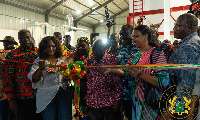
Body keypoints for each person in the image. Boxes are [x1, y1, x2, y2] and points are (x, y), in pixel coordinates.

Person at [105, 25, 169, 120]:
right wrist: (110, 70)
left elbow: (164, 81)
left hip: (150, 100)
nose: (133, 39)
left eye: (136, 36)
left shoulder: (157, 54)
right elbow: (126, 72)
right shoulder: (136, 55)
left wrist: (140, 74)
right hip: (137, 100)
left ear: (146, 36)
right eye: (133, 36)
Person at [28, 36, 71, 120]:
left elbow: (67, 75)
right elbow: (34, 79)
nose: (51, 48)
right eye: (48, 46)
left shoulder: (62, 59)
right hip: (46, 95)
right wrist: (40, 68)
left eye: (53, 46)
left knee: (64, 117)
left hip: (62, 93)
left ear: (57, 47)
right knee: (49, 118)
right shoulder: (39, 60)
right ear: (44, 47)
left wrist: (66, 76)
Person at [168, 13, 200, 119]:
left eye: (178, 25)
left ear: (190, 28)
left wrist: (173, 111)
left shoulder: (189, 47)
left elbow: (185, 84)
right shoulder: (193, 42)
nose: (174, 28)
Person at [2, 29, 38, 120]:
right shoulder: (12, 56)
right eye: (22, 38)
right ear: (19, 40)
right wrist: (11, 98)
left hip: (38, 97)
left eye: (27, 37)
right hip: (20, 98)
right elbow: (7, 79)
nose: (26, 40)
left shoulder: (37, 54)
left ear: (31, 38)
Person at [85, 39, 122, 120]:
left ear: (104, 49)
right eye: (93, 49)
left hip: (108, 101)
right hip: (93, 100)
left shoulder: (111, 60)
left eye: (97, 49)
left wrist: (117, 99)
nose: (94, 52)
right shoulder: (89, 60)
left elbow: (117, 81)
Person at [116, 24, 139, 120]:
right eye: (121, 34)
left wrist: (115, 71)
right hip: (120, 90)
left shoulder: (138, 48)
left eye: (125, 34)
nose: (122, 37)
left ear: (132, 34)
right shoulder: (121, 49)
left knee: (132, 116)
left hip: (133, 92)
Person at [67, 37, 92, 119]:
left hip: (90, 85)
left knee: (89, 107)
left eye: (83, 45)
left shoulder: (91, 54)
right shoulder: (74, 54)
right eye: (79, 45)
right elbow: (69, 63)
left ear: (88, 46)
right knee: (80, 106)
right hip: (78, 85)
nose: (81, 48)